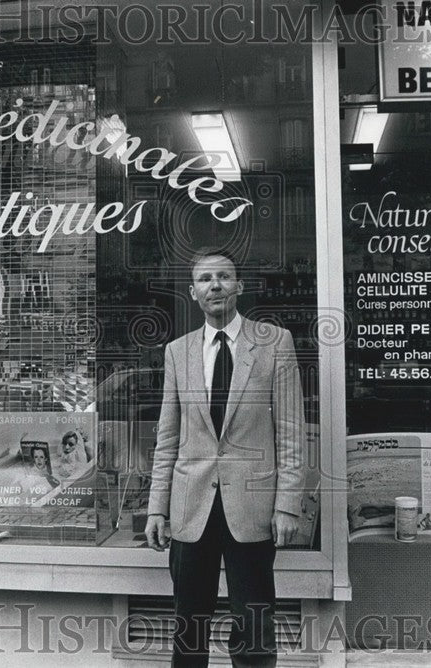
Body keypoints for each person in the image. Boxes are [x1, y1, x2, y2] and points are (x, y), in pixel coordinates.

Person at [145, 249, 305, 667]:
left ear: (239, 286)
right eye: (205, 279)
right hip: (190, 504)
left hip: (251, 506)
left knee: (254, 622)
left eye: (224, 277)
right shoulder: (177, 352)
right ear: (193, 292)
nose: (214, 285)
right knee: (189, 623)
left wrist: (288, 504)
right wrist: (156, 508)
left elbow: (290, 431)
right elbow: (167, 437)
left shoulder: (274, 344)